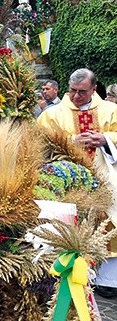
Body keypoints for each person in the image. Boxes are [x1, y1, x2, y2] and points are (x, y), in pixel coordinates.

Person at [37, 68, 117, 298]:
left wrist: (105, 140)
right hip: (68, 182)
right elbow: (38, 143)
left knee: (108, 221)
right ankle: (62, 272)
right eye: (72, 91)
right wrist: (70, 142)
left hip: (106, 179)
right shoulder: (52, 115)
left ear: (94, 88)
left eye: (82, 92)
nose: (76, 97)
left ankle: (107, 280)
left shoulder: (111, 111)